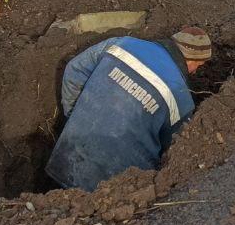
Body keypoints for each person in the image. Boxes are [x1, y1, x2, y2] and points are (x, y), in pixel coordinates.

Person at [45, 27, 212, 191]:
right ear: (191, 59)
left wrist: (75, 116)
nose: (195, 71)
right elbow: (174, 149)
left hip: (68, 157)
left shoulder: (122, 44)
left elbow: (74, 70)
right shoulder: (181, 97)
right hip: (114, 188)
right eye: (198, 65)